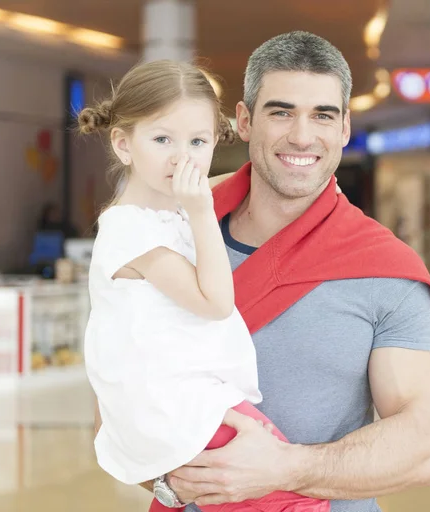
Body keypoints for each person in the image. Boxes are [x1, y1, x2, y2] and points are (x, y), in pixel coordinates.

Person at [97, 32, 430, 512]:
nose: (302, 136)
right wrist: (170, 483)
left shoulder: (386, 271)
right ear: (243, 121)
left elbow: (426, 448)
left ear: (345, 127)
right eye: (281, 112)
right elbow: (116, 401)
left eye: (323, 115)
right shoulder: (170, 231)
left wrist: (286, 469)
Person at [81, 60, 330, 512]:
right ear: (123, 144)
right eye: (162, 140)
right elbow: (215, 302)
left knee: (290, 498)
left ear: (216, 142)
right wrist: (201, 211)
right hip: (177, 410)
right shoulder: (131, 230)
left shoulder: (161, 218)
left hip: (198, 404)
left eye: (197, 141)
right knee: (297, 502)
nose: (182, 157)